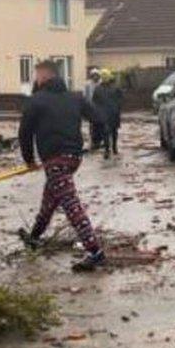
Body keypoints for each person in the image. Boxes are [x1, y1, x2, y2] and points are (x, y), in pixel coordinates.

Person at [17, 60, 107, 272]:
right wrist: (97, 142)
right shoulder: (75, 97)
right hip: (73, 158)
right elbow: (99, 119)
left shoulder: (35, 101)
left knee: (70, 204)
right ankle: (34, 237)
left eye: (37, 75)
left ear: (44, 76)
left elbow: (24, 133)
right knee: (50, 200)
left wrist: (29, 160)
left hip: (54, 160)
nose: (35, 79)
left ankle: (95, 251)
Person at [93, 71, 123, 159]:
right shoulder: (114, 88)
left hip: (106, 113)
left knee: (106, 131)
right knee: (113, 131)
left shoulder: (98, 88)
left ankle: (108, 149)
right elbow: (121, 99)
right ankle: (113, 148)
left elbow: (94, 101)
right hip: (112, 113)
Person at [84, 69, 104, 150]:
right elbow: (86, 95)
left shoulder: (101, 83)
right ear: (91, 76)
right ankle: (93, 142)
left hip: (100, 107)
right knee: (92, 125)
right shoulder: (88, 84)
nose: (95, 77)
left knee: (101, 124)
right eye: (93, 75)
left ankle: (100, 140)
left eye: (96, 75)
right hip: (92, 107)